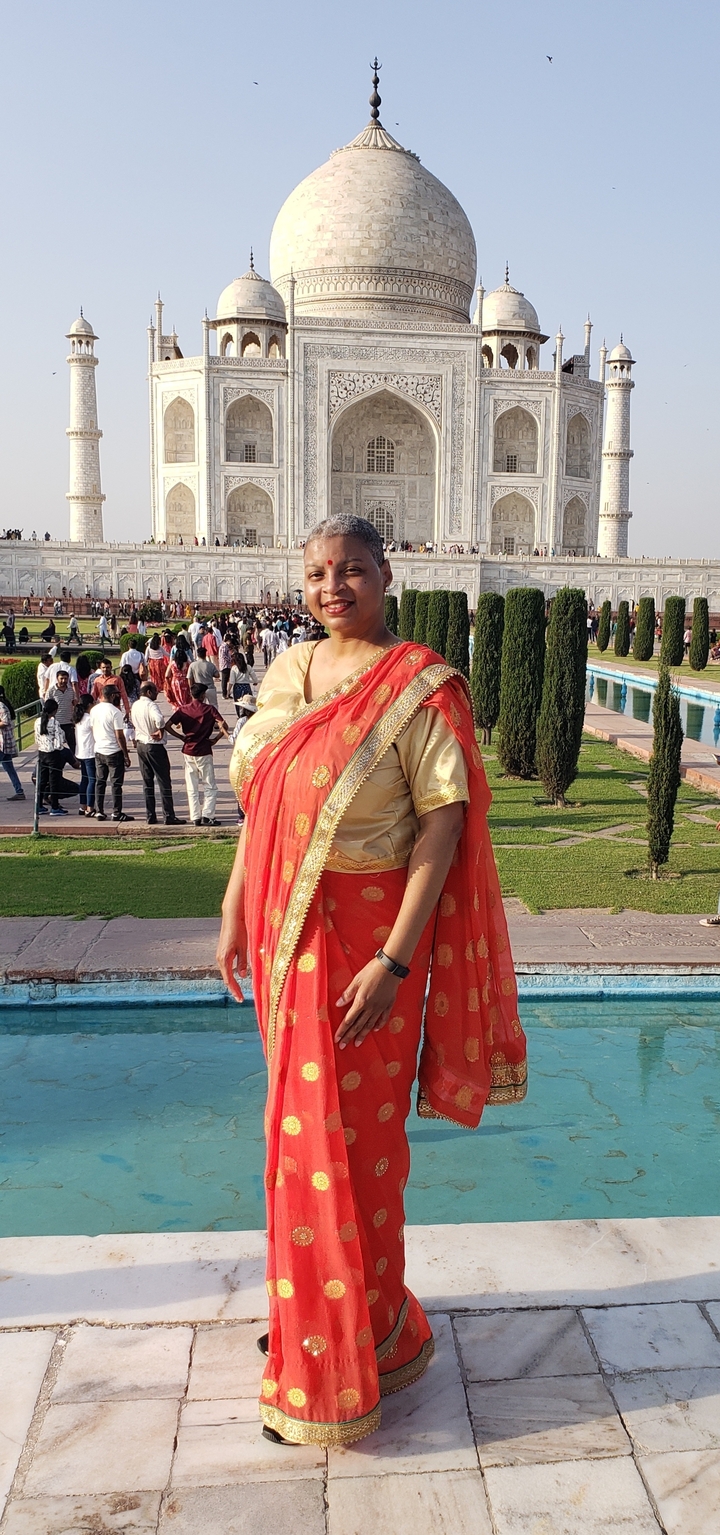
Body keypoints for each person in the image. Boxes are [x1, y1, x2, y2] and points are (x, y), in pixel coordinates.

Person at [216, 513, 526, 1448]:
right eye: (317, 573)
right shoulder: (289, 672)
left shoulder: (420, 683)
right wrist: (234, 904)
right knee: (295, 1141)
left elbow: (442, 828)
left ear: (385, 575)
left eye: (351, 569)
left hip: (369, 941)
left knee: (358, 1151)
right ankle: (334, 1321)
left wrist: (396, 958)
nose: (332, 587)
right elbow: (263, 805)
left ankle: (347, 1347)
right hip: (283, 928)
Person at [166, 682, 228, 826]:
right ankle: (208, 815)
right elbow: (223, 724)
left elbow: (167, 725)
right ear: (202, 695)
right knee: (210, 785)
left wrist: (181, 737)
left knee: (192, 785)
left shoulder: (183, 710)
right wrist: (216, 739)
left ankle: (195, 816)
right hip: (204, 750)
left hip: (188, 750)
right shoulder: (209, 709)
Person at [131, 681, 184, 826]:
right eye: (155, 691)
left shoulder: (135, 705)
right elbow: (159, 719)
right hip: (154, 746)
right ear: (149, 692)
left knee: (147, 782)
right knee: (163, 781)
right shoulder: (151, 705)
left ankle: (150, 815)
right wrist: (160, 730)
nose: (156, 694)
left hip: (141, 744)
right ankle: (168, 815)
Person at [91, 685, 133, 822]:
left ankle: (99, 811)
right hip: (113, 751)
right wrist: (126, 755)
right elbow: (119, 736)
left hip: (99, 750)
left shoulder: (94, 710)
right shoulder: (115, 712)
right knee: (116, 784)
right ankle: (116, 812)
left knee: (100, 782)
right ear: (113, 695)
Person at [34, 697, 68, 815]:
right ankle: (54, 807)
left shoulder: (38, 721)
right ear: (55, 710)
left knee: (42, 781)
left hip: (42, 753)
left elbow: (36, 738)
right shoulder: (54, 722)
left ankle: (38, 805)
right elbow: (60, 740)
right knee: (54, 781)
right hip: (53, 754)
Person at [73, 694, 96, 816]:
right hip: (89, 752)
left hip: (81, 752)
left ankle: (83, 806)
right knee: (92, 780)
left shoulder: (79, 718)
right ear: (89, 705)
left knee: (85, 779)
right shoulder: (89, 718)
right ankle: (90, 807)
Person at [0, 685, 24, 800]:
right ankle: (19, 791)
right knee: (9, 767)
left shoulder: (1, 706)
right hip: (6, 742)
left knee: (9, 767)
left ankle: (19, 790)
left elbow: (4, 722)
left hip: (2, 743)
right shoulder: (4, 704)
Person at [52, 669, 78, 757]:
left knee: (72, 743)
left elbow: (75, 703)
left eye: (66, 679)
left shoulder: (71, 690)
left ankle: (76, 760)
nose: (64, 681)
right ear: (57, 679)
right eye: (61, 678)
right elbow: (48, 706)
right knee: (56, 744)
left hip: (68, 721)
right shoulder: (51, 691)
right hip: (56, 722)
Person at [165, 641, 193, 708]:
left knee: (177, 697)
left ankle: (178, 709)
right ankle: (185, 708)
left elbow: (167, 675)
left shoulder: (172, 663)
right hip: (185, 681)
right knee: (185, 697)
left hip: (175, 682)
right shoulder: (187, 664)